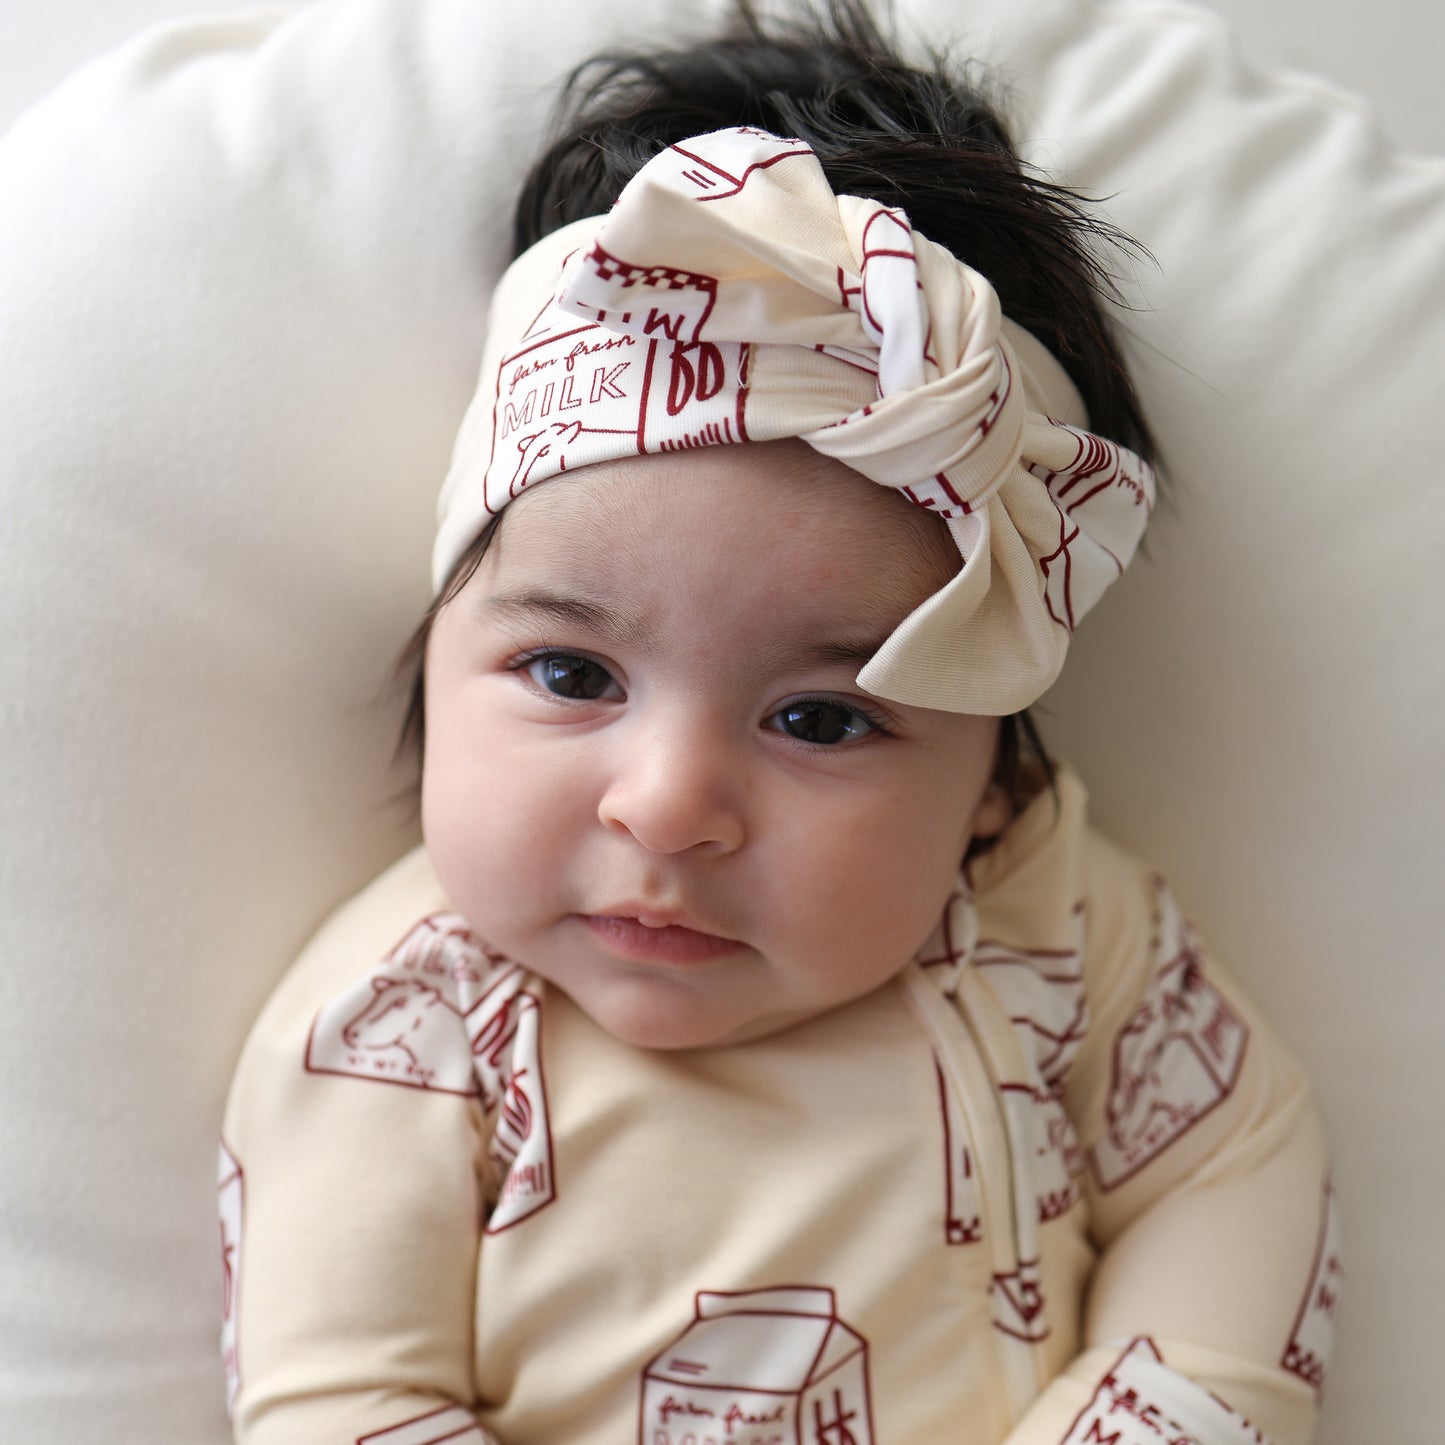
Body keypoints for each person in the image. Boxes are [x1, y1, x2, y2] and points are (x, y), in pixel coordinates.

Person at [220, 5, 1339, 1442]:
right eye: (571, 676)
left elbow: (1231, 1158)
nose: (669, 805)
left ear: (991, 780)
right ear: (436, 652)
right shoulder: (402, 1020)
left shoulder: (1050, 919)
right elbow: (341, 1400)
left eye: (818, 716)